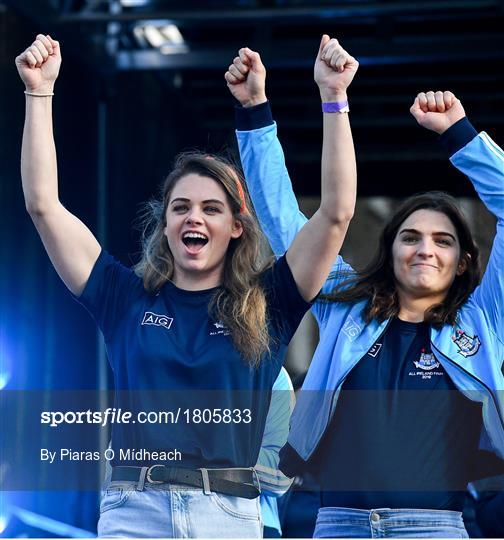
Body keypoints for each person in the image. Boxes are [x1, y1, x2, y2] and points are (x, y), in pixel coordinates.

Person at [15, 33, 356, 538]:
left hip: (228, 515)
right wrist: (38, 94)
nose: (194, 217)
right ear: (167, 224)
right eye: (181, 207)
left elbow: (335, 214)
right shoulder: (122, 295)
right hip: (134, 512)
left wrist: (334, 98)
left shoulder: (271, 301)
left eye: (211, 208)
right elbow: (44, 205)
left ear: (236, 227)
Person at [229, 47, 504, 537]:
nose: (425, 250)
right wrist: (256, 112)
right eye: (410, 237)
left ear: (463, 261)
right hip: (339, 525)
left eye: (443, 241)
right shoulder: (347, 307)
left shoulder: (483, 318)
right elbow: (284, 221)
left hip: (436, 528)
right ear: (391, 249)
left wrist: (461, 134)